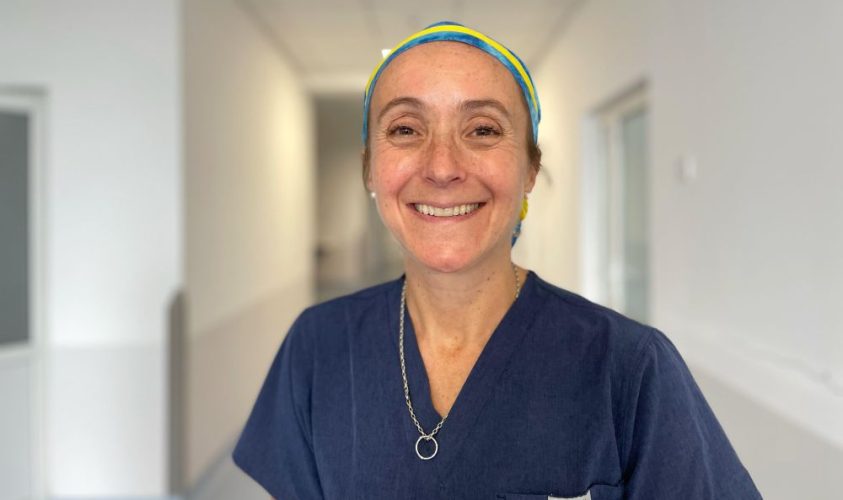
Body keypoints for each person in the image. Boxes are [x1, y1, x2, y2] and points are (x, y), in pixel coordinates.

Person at [232, 22, 762, 499]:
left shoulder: (629, 368)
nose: (442, 167)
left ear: (530, 168)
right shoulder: (318, 348)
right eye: (405, 129)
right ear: (370, 169)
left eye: (482, 129)